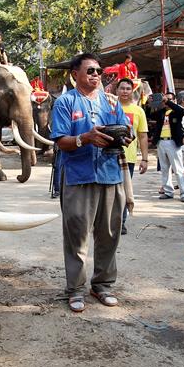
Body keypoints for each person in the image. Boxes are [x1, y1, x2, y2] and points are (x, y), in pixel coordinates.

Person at [50, 53, 132, 313]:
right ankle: (75, 289)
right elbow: (60, 141)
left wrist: (125, 137)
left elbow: (122, 129)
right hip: (77, 175)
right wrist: (84, 138)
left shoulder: (111, 102)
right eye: (90, 71)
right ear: (75, 74)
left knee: (109, 233)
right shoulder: (65, 102)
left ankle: (103, 285)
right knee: (77, 236)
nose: (96, 75)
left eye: (98, 71)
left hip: (110, 174)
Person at [115, 78, 148, 234]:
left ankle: (121, 222)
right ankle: (105, 221)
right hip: (109, 156)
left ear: (132, 91)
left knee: (123, 191)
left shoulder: (138, 111)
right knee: (108, 191)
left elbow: (142, 136)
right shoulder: (109, 108)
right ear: (117, 90)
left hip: (128, 158)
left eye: (128, 89)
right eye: (122, 88)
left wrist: (145, 159)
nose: (125, 91)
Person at [150, 92, 184, 202]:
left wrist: (167, 101)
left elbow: (182, 111)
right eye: (165, 99)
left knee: (178, 168)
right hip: (161, 142)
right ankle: (168, 191)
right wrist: (153, 103)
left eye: (169, 99)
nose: (166, 101)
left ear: (174, 100)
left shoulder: (177, 112)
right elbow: (151, 115)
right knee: (164, 169)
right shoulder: (161, 112)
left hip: (173, 142)